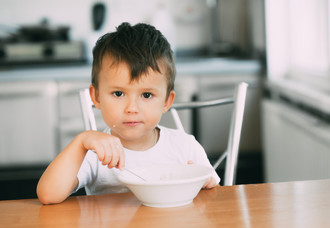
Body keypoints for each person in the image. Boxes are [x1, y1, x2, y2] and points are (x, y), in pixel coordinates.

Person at [37, 22, 220, 204]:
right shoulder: (94, 153)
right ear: (97, 97)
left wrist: (202, 185)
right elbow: (48, 195)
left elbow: (215, 201)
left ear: (166, 102)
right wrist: (81, 142)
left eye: (147, 95)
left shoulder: (185, 147)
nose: (132, 108)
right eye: (118, 93)